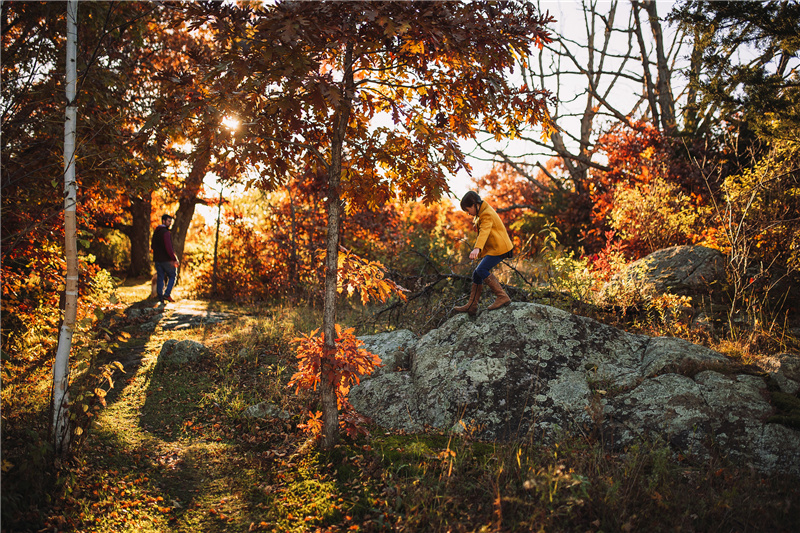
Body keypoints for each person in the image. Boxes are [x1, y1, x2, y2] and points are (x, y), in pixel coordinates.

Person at [454, 191, 512, 315]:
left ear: (474, 204)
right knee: (477, 274)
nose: (468, 213)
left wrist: (477, 248)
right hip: (496, 247)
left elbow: (485, 231)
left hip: (500, 248)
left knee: (481, 270)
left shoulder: (486, 214)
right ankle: (472, 305)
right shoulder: (482, 213)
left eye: (468, 209)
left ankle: (502, 296)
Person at [151, 214, 179, 303]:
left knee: (160, 277)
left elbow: (152, 246)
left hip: (157, 259)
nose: (170, 223)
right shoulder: (166, 233)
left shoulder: (156, 232)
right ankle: (166, 294)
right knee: (172, 276)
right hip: (166, 260)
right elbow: (169, 248)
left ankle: (160, 297)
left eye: (171, 221)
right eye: (168, 221)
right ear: (163, 221)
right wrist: (174, 258)